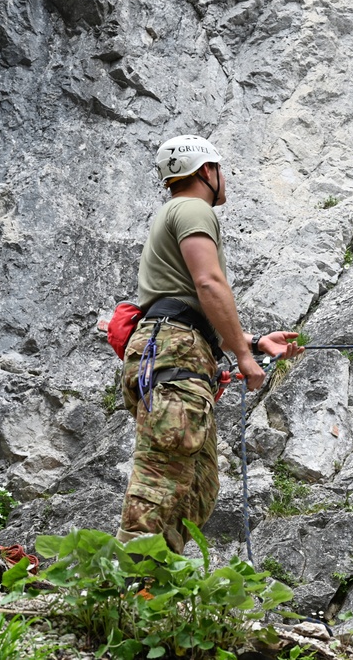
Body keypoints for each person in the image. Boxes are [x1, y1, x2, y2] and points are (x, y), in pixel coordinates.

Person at [116, 134, 303, 553]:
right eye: (220, 169)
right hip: (174, 351)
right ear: (205, 171)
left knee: (198, 486)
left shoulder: (177, 210)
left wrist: (253, 342)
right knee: (162, 477)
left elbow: (190, 299)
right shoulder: (192, 208)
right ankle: (126, 590)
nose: (224, 177)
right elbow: (207, 282)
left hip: (178, 347)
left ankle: (157, 584)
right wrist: (240, 354)